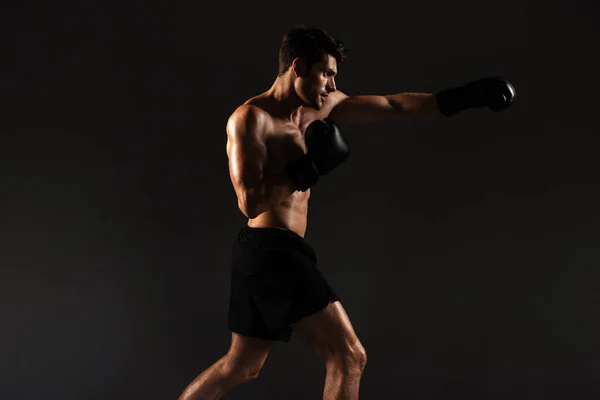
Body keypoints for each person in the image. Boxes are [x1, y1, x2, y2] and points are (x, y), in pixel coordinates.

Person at [177, 25, 515, 400]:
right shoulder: (250, 118)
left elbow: (393, 106)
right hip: (269, 250)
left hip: (274, 253)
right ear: (298, 66)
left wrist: (464, 98)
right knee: (348, 356)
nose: (331, 83)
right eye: (326, 73)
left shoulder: (323, 106)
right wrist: (309, 168)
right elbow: (249, 202)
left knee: (242, 366)